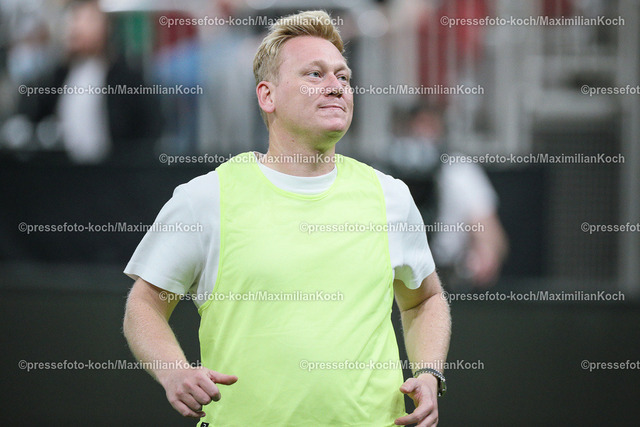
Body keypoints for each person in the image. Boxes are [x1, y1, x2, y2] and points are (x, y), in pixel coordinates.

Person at [123, 10, 451, 426]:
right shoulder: (206, 198)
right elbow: (144, 304)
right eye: (315, 74)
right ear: (267, 96)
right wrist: (173, 371)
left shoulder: (391, 197)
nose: (336, 86)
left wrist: (429, 372)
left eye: (343, 76)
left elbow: (425, 299)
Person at [17, 0, 159, 163]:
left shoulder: (125, 77)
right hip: (64, 168)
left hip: (114, 168)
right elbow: (32, 112)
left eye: (86, 20)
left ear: (106, 27)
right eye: (73, 19)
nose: (76, 27)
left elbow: (148, 126)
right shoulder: (59, 75)